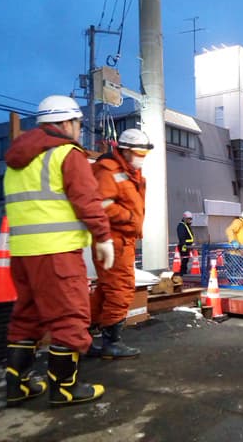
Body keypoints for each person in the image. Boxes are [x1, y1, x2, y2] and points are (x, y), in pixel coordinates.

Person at [3, 95, 114, 406]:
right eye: (78, 124)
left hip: (22, 253)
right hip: (57, 253)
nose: (79, 130)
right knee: (70, 316)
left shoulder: (16, 160)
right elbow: (87, 199)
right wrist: (103, 236)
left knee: (27, 316)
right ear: (66, 123)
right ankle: (65, 388)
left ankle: (17, 386)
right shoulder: (67, 153)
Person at [89, 128, 153, 360]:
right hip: (114, 240)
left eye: (145, 154)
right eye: (139, 153)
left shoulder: (130, 172)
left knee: (107, 289)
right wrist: (129, 218)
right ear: (124, 151)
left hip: (121, 240)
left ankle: (84, 335)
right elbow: (101, 204)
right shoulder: (109, 170)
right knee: (121, 289)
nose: (142, 158)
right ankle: (111, 343)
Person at [224, 210, 243, 284]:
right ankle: (233, 283)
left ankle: (234, 283)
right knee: (233, 269)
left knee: (237, 269)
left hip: (240, 252)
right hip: (233, 252)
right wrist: (233, 241)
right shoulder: (238, 222)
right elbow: (229, 230)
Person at [176, 211, 195, 276]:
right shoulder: (182, 226)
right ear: (185, 218)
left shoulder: (186, 225)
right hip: (184, 246)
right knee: (184, 259)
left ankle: (183, 272)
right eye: (188, 219)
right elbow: (182, 237)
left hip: (187, 246)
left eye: (190, 219)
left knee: (186, 259)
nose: (190, 220)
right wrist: (184, 246)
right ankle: (182, 272)